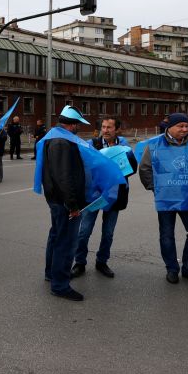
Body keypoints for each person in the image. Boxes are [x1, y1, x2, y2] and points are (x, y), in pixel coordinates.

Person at [36, 106, 124, 302]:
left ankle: (52, 273)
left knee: (56, 236)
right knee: (65, 242)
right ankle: (60, 285)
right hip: (64, 202)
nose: (78, 129)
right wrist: (73, 205)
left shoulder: (55, 137)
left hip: (58, 200)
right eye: (78, 125)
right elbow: (64, 177)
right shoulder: (61, 142)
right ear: (73, 124)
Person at [139, 112, 188, 284]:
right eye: (180, 126)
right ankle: (172, 269)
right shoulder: (154, 145)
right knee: (167, 235)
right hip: (167, 197)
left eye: (186, 126)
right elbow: (145, 169)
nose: (184, 129)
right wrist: (157, 188)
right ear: (170, 127)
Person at [71, 118, 136, 279]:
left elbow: (132, 168)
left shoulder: (124, 146)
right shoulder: (91, 144)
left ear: (117, 129)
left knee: (108, 233)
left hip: (114, 196)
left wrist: (118, 165)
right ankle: (79, 262)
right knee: (84, 232)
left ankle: (102, 261)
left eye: (109, 127)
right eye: (103, 127)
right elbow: (82, 167)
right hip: (92, 196)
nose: (105, 130)